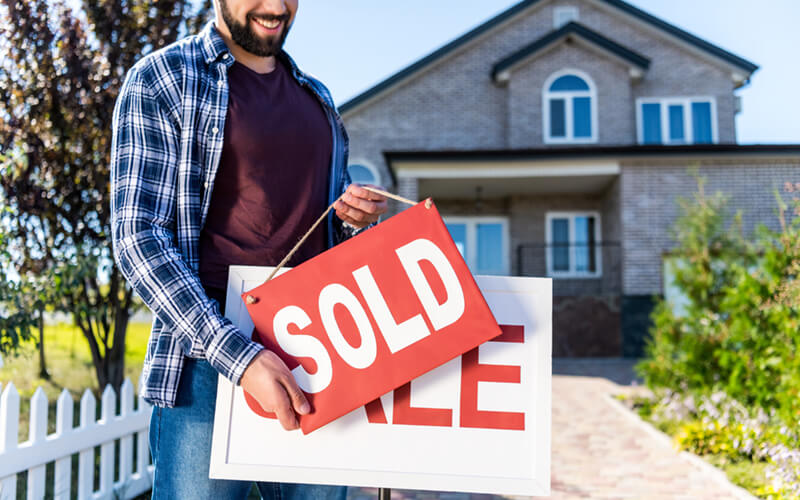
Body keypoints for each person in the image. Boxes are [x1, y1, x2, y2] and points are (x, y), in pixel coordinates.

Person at [109, 0, 387, 498]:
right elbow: (138, 239)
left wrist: (352, 223)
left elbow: (323, 235)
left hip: (319, 357)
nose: (277, 7)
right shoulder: (161, 79)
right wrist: (240, 358)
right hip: (205, 361)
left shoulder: (317, 99)